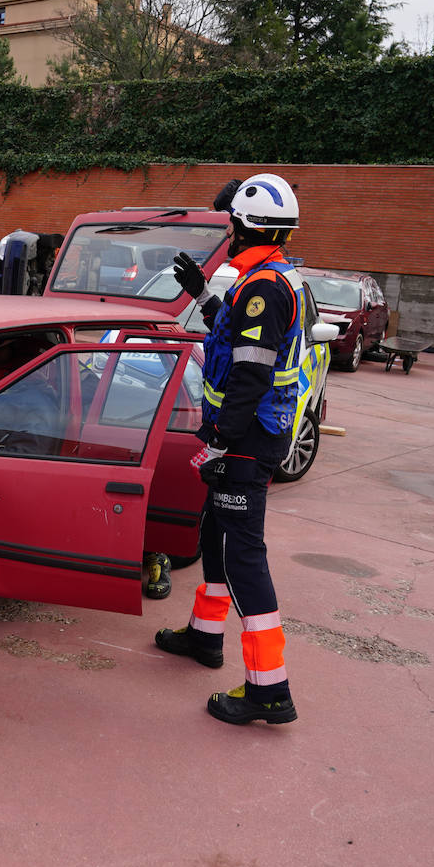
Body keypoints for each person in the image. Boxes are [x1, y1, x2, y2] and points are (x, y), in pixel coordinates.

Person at [155, 172, 309, 726]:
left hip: (246, 437)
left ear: (246, 229)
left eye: (232, 226)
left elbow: (249, 375)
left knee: (244, 555)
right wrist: (201, 294)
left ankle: (270, 690)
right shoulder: (262, 282)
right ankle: (204, 635)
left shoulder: (266, 289)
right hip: (244, 434)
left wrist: (220, 439)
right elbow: (231, 336)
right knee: (213, 534)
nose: (228, 235)